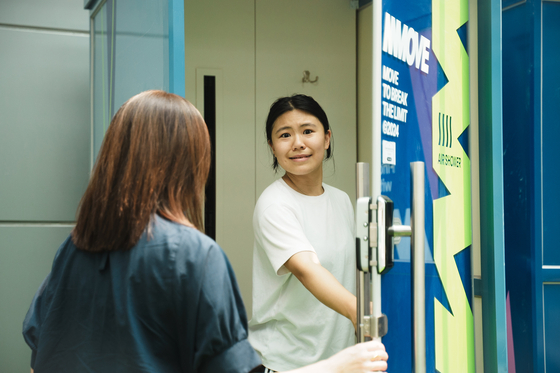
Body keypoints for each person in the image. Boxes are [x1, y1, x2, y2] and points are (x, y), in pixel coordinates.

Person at [22, 90, 388, 373]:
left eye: (308, 131)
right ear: (189, 160)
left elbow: (41, 356)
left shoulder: (74, 247)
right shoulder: (193, 256)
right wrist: (339, 365)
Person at [249, 94, 360, 372]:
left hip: (340, 360)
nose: (298, 143)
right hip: (287, 364)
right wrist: (360, 312)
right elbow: (306, 269)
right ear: (273, 147)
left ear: (327, 138)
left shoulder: (342, 200)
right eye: (285, 135)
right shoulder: (274, 205)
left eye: (308, 131)